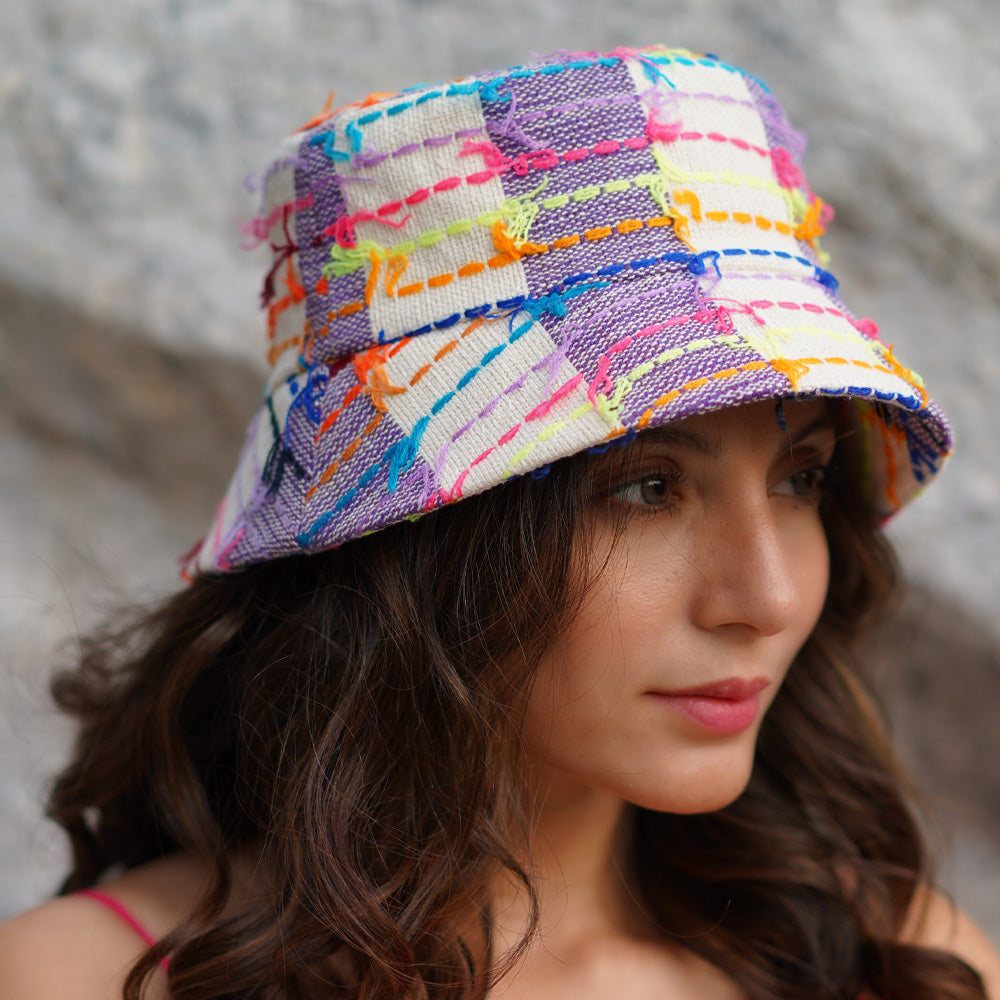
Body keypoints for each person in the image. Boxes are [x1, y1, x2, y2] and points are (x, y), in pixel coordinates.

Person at [0, 43, 997, 1000]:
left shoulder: (903, 965)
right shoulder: (86, 982)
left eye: (801, 478)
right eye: (647, 488)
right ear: (419, 539)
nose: (768, 598)